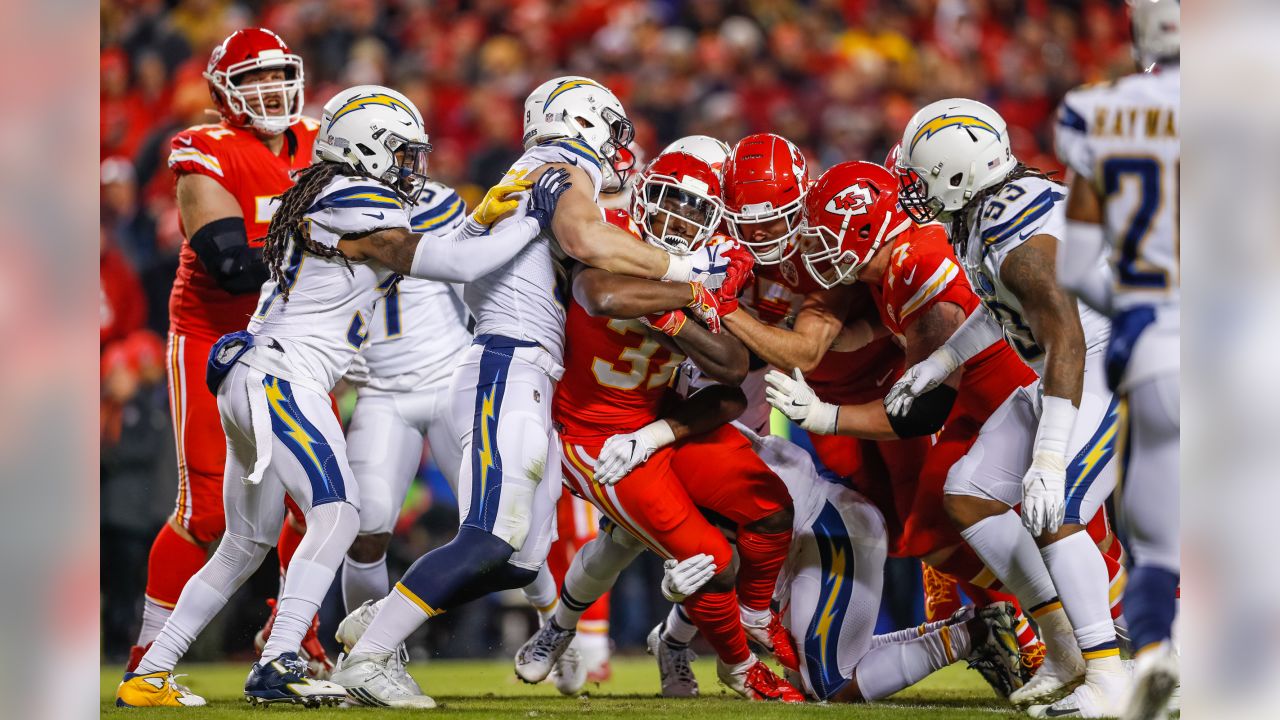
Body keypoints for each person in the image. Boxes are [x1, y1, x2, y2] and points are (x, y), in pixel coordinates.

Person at [115, 84, 567, 708]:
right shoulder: (351, 198)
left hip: (261, 375)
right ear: (368, 150)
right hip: (284, 377)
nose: (412, 168)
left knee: (244, 544)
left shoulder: (327, 192)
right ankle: (280, 659)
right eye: (403, 154)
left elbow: (454, 242)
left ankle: (150, 672)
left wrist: (492, 213)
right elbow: (456, 264)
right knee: (340, 515)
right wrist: (533, 220)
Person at [331, 76, 750, 707]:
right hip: (508, 361)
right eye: (612, 131)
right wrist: (689, 272)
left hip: (522, 367)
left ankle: (386, 613)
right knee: (491, 536)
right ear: (583, 123)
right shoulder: (561, 161)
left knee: (525, 559)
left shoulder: (541, 166)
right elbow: (586, 240)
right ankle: (368, 658)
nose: (617, 147)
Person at [510, 165, 799, 700]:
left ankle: (754, 614)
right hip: (590, 436)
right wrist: (689, 290)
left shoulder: (721, 257)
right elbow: (601, 295)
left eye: (695, 208)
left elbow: (734, 371)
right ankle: (736, 669)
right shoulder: (613, 232)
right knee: (709, 561)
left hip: (656, 422)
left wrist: (674, 310)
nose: (678, 216)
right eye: (669, 199)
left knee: (770, 510)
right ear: (645, 194)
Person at [887, 98, 1126, 717]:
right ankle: (1065, 646)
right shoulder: (994, 213)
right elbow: (1001, 310)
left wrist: (1048, 459)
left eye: (917, 174)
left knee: (1057, 504)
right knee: (970, 490)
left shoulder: (1019, 239)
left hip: (1120, 366)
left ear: (955, 170)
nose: (911, 188)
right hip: (1073, 366)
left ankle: (1110, 677)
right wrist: (937, 365)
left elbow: (1066, 338)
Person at [765, 160, 1041, 665]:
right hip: (980, 406)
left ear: (868, 228)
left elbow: (919, 413)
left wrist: (827, 417)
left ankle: (1073, 624)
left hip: (1006, 402)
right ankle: (1046, 617)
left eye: (829, 235)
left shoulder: (918, 261)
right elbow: (885, 330)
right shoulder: (890, 269)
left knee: (1062, 528)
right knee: (932, 532)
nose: (818, 249)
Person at [128, 27, 324, 674]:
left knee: (317, 495)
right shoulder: (204, 149)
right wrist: (337, 252)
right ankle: (148, 651)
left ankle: (291, 638)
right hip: (217, 337)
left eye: (276, 75)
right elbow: (232, 265)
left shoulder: (326, 142)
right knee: (208, 509)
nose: (269, 90)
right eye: (252, 80)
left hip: (298, 340)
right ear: (224, 93)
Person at [1054, 2, 1181, 718]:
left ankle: (1158, 660)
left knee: (1151, 532)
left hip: (1157, 342)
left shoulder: (1100, 114)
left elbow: (1077, 267)